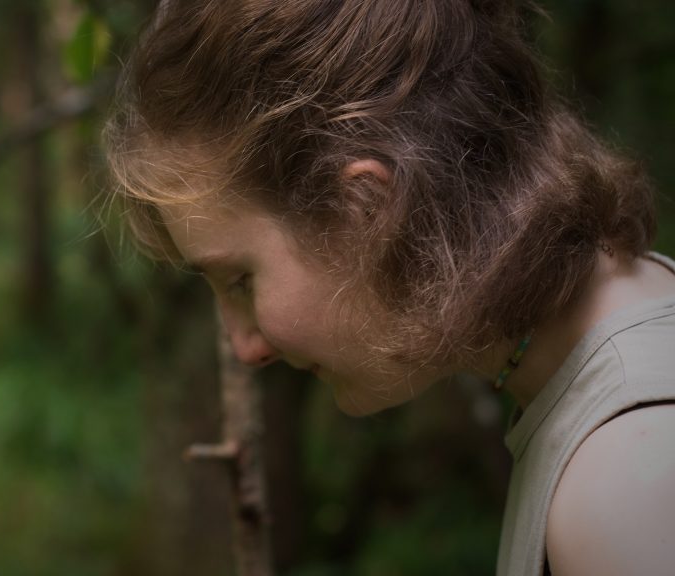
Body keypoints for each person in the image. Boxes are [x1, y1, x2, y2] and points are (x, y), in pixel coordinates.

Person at [102, 0, 675, 574]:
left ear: (369, 209)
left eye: (242, 280)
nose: (247, 347)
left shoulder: (622, 486)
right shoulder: (620, 338)